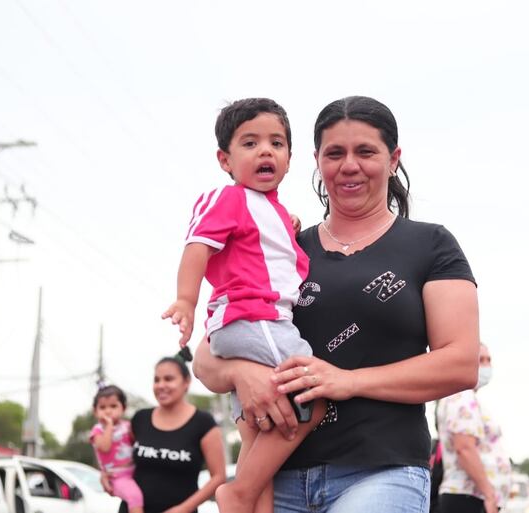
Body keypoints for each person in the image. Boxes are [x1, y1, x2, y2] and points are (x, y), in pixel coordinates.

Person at [193, 95, 480, 513]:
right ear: (315, 161)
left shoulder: (431, 245)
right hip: (276, 481)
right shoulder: (285, 249)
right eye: (335, 153)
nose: (349, 165)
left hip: (382, 471)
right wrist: (240, 372)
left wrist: (347, 381)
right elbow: (207, 356)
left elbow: (461, 363)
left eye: (365, 151)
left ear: (394, 158)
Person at [162, 97, 327, 513]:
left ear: (290, 158)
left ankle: (249, 501)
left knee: (260, 426)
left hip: (252, 324)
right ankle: (236, 493)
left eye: (276, 143)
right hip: (257, 319)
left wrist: (287, 228)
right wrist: (186, 299)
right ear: (225, 159)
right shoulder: (228, 197)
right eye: (250, 143)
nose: (266, 151)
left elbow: (266, 251)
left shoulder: (272, 212)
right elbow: (197, 245)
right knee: (314, 392)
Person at [103, 355, 226, 513]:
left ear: (186, 382)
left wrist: (183, 509)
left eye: (168, 379)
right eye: (157, 380)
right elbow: (120, 455)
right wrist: (108, 474)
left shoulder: (203, 422)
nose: (161, 385)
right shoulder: (140, 419)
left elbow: (218, 477)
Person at [436, 343, 511, 513]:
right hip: (469, 497)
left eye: (488, 360)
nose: (486, 365)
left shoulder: (463, 396)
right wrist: (489, 494)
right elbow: (464, 448)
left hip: (471, 497)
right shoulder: (462, 396)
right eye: (480, 360)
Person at [90, 385, 143, 513]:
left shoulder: (128, 426)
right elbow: (105, 447)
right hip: (116, 476)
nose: (108, 411)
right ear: (95, 411)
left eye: (113, 406)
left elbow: (138, 444)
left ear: (123, 408)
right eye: (102, 407)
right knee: (134, 497)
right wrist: (109, 426)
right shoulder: (97, 431)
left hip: (135, 471)